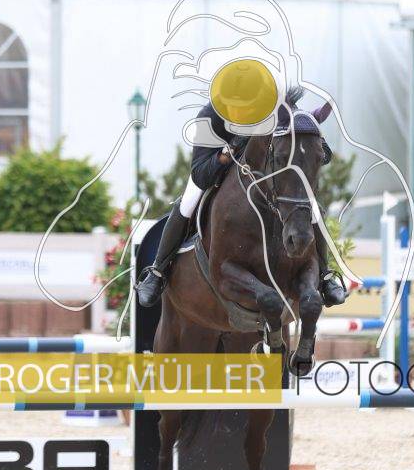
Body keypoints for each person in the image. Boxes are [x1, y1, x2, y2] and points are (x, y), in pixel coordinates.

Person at [134, 70, 349, 310]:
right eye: (233, 106)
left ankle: (325, 276)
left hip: (266, 175)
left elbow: (317, 147)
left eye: (247, 106)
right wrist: (224, 157)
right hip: (216, 169)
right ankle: (157, 272)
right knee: (187, 201)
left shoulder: (277, 108)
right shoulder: (209, 117)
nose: (240, 114)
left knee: (310, 206)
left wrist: (314, 143)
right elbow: (200, 174)